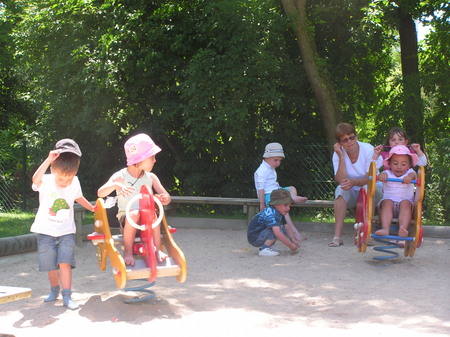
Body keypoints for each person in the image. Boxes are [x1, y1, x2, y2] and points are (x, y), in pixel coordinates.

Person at [30, 139, 95, 310]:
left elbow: (78, 197)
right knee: (51, 266)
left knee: (65, 264)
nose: (65, 182)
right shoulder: (46, 180)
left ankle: (67, 296)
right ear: (53, 170)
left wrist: (92, 208)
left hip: (66, 231)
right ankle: (54, 291)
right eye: (61, 178)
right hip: (46, 232)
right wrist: (49, 159)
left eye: (69, 178)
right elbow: (35, 179)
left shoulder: (75, 182)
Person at [97, 133, 171, 266]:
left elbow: (167, 196)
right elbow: (100, 193)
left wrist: (165, 198)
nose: (155, 160)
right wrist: (115, 184)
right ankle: (128, 252)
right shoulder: (121, 176)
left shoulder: (151, 177)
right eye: (152, 157)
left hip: (147, 219)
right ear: (139, 160)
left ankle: (157, 250)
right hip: (127, 219)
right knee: (135, 213)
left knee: (152, 213)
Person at [330, 123, 382, 247]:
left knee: (366, 189)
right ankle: (337, 237)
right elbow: (340, 179)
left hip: (374, 188)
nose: (349, 142)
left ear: (356, 136)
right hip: (352, 190)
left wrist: (355, 182)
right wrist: (341, 157)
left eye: (351, 137)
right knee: (340, 190)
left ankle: (367, 234)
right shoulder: (338, 153)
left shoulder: (368, 149)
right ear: (340, 142)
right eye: (345, 140)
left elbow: (371, 177)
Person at [254, 142, 307, 244]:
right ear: (267, 158)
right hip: (269, 195)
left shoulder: (270, 168)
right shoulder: (261, 171)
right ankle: (294, 233)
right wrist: (262, 204)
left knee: (291, 188)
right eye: (276, 160)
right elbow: (261, 189)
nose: (278, 163)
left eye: (280, 160)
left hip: (277, 191)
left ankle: (292, 197)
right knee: (283, 209)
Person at [374, 145, 418, 241]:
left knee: (406, 203)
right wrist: (382, 176)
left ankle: (403, 229)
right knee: (387, 202)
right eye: (395, 163)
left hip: (405, 205)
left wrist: (409, 178)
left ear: (409, 165)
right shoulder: (388, 173)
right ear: (389, 164)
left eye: (403, 164)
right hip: (389, 205)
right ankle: (385, 229)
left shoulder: (410, 172)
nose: (399, 167)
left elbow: (413, 175)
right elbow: (383, 174)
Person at [247, 189, 300, 256]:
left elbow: (287, 227)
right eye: (286, 205)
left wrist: (293, 241)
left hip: (261, 234)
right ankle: (264, 249)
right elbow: (277, 233)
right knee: (276, 229)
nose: (288, 208)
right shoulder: (271, 214)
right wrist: (290, 245)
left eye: (289, 205)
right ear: (276, 205)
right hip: (255, 237)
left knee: (279, 227)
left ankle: (269, 246)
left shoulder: (279, 213)